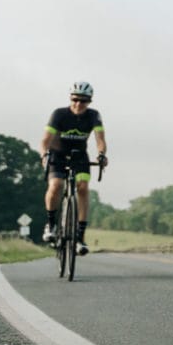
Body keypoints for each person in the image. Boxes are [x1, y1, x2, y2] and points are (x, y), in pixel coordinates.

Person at [41, 81, 108, 255]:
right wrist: (44, 154)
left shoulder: (94, 116)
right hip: (58, 154)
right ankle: (51, 224)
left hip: (80, 156)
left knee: (83, 188)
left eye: (83, 101)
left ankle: (80, 238)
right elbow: (45, 140)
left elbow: (100, 140)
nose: (79, 104)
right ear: (70, 98)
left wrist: (101, 155)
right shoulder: (59, 114)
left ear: (89, 101)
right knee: (56, 185)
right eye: (75, 99)